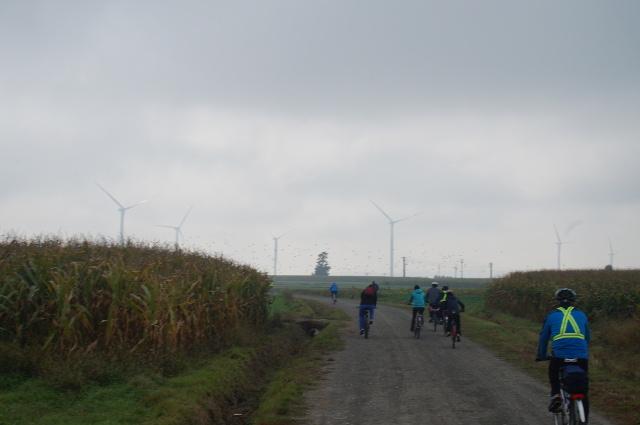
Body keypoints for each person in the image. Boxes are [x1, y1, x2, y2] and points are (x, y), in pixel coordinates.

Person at [536, 288, 591, 418]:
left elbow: (543, 338)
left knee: (554, 373)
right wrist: (583, 351)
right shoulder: (582, 315)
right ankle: (584, 418)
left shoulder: (551, 316)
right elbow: (587, 337)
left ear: (557, 301)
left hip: (559, 356)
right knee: (583, 388)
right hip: (581, 356)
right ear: (574, 301)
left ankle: (556, 395)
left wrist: (541, 355)